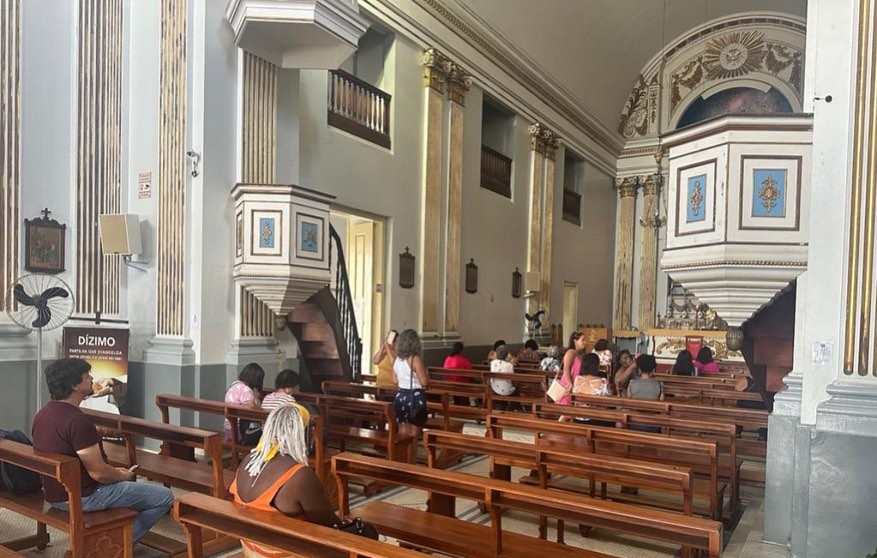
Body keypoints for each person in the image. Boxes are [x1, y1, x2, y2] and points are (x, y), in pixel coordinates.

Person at [32, 358, 174, 544]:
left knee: (133, 491)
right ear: (74, 385)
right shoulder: (77, 421)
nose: (92, 378)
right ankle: (117, 546)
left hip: (54, 493)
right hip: (82, 496)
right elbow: (99, 473)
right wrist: (122, 475)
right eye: (86, 376)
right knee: (164, 497)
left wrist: (113, 473)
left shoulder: (43, 413)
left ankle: (114, 535)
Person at [230, 404, 341, 557]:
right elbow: (329, 524)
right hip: (287, 553)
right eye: (311, 428)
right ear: (301, 433)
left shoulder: (248, 461)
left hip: (251, 549)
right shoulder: (300, 476)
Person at [393, 329, 430, 438]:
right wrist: (427, 375)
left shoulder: (397, 360)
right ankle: (412, 449)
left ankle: (404, 449)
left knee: (402, 429)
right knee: (415, 431)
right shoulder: (415, 359)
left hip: (400, 396)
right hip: (414, 396)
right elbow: (424, 382)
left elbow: (394, 381)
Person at [225, 363, 265, 445]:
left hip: (229, 430)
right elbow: (251, 410)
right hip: (242, 432)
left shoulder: (233, 386)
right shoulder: (246, 390)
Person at [556, 331, 588, 407]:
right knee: (566, 408)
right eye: (582, 340)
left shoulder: (580, 353)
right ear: (575, 341)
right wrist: (569, 383)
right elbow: (566, 369)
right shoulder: (571, 352)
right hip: (568, 383)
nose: (585, 342)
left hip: (575, 384)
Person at [442, 341, 472, 405]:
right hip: (461, 383)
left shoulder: (448, 358)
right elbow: (470, 371)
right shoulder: (463, 360)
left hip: (449, 382)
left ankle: (457, 402)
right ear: (461, 350)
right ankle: (465, 404)